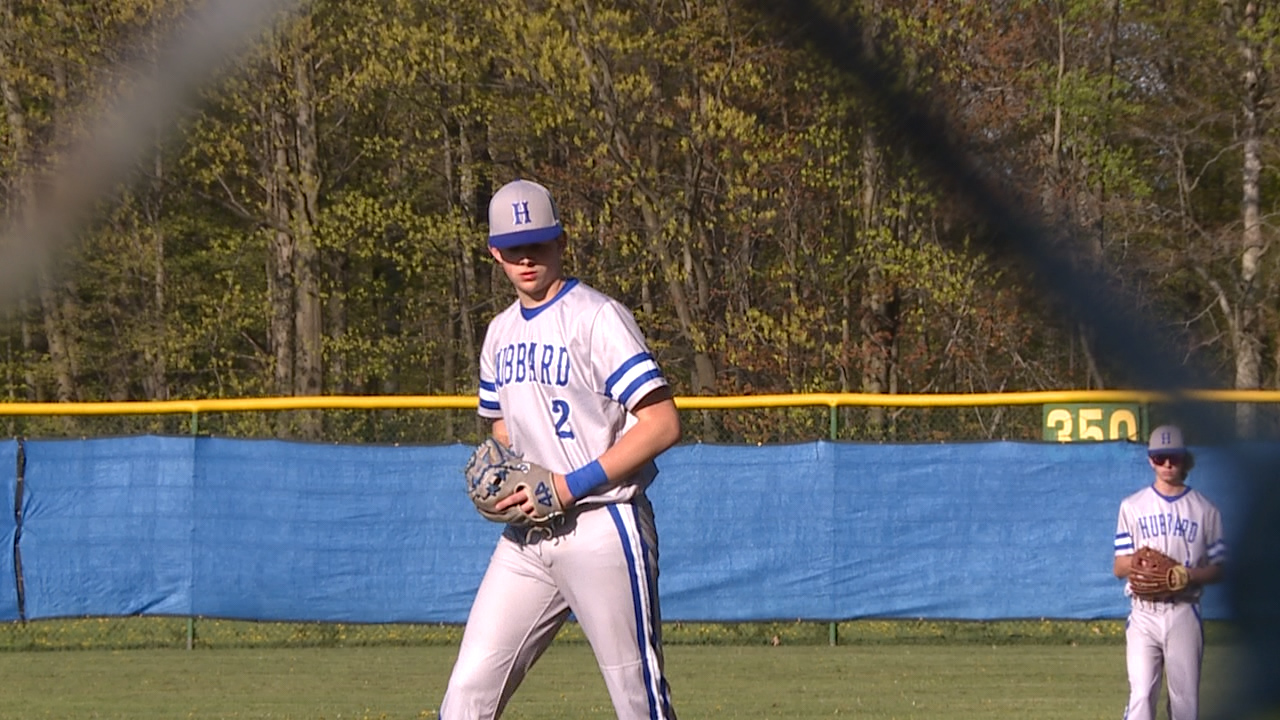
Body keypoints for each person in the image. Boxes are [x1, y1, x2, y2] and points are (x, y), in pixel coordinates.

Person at [440, 179, 682, 719]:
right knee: (467, 695)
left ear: (560, 242)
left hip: (603, 523)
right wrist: (501, 480)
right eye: (514, 248)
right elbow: (504, 430)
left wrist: (569, 484)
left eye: (539, 244)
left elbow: (662, 423)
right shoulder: (498, 334)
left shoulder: (598, 318)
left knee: (637, 699)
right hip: (526, 539)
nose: (527, 258)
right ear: (494, 252)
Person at [1113, 424, 1227, 720]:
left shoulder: (1205, 510)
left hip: (1184, 611)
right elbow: (1118, 566)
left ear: (1184, 460)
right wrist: (1137, 564)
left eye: (1173, 457)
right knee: (1140, 697)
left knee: (1185, 703)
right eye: (1160, 457)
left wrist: (1190, 575)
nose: (1166, 464)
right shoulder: (1132, 507)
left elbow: (1219, 569)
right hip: (1143, 613)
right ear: (1150, 459)